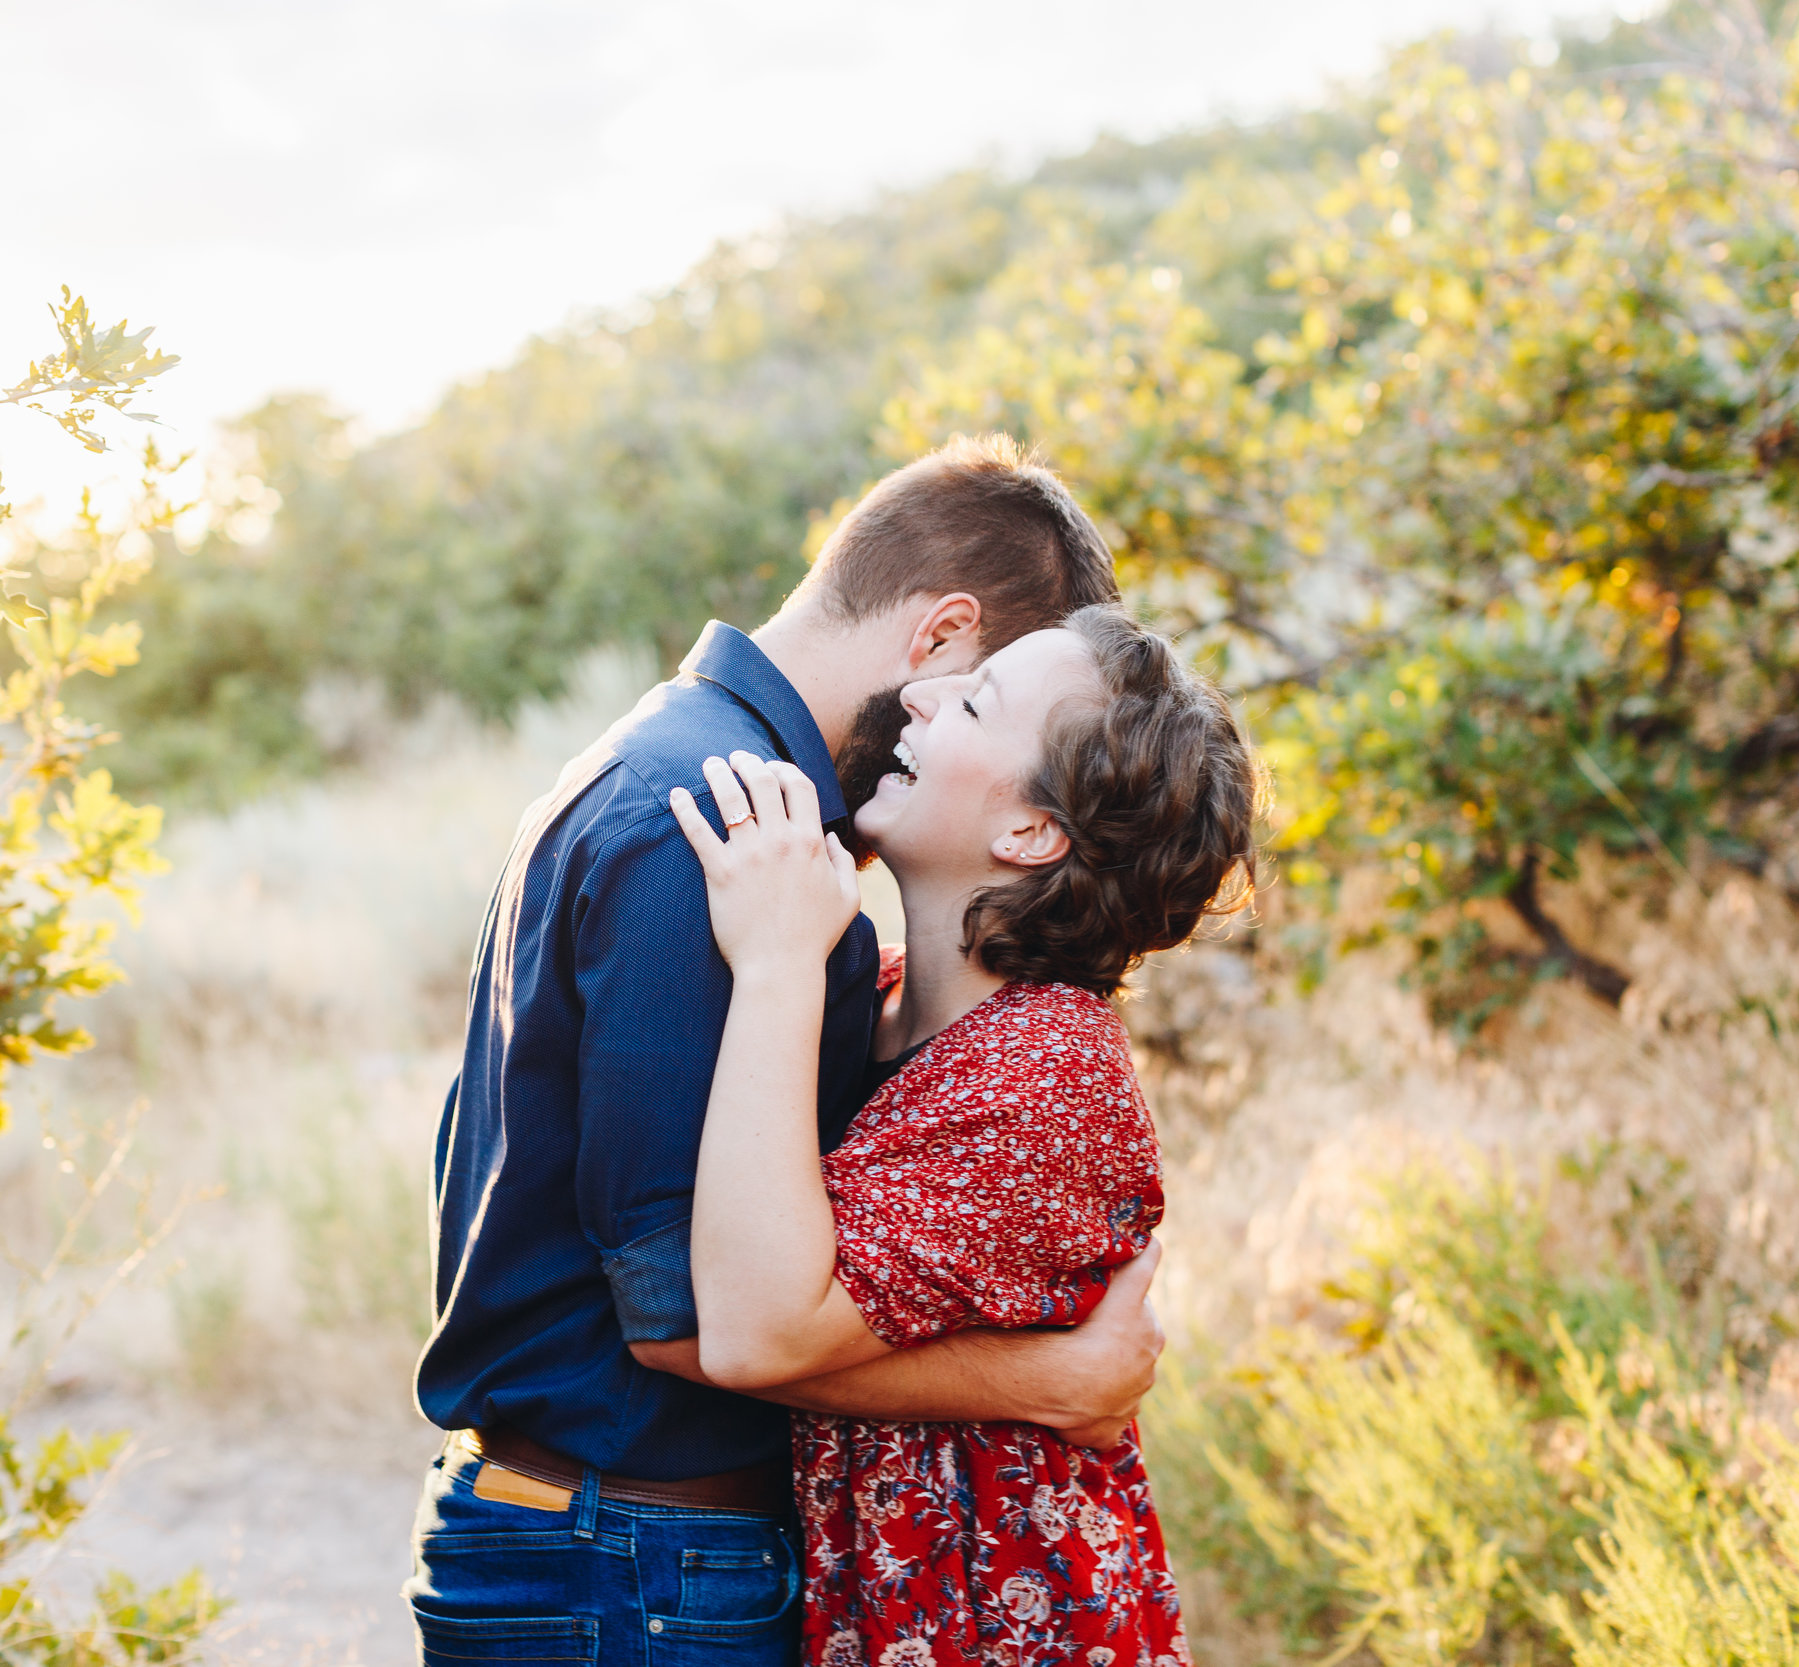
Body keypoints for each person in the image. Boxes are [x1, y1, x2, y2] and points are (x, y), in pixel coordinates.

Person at [407, 437, 1166, 1666]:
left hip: (618, 1549)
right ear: (938, 635)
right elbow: (689, 1317)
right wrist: (1044, 1381)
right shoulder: (718, 828)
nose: (928, 712)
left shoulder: (691, 784)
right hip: (632, 1556)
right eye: (973, 686)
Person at [665, 603, 1258, 1667]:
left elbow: (753, 1331)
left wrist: (775, 963)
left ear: (1029, 833)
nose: (920, 693)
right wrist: (1049, 1380)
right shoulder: (879, 999)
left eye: (974, 699)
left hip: (994, 1627)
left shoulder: (1047, 1070)